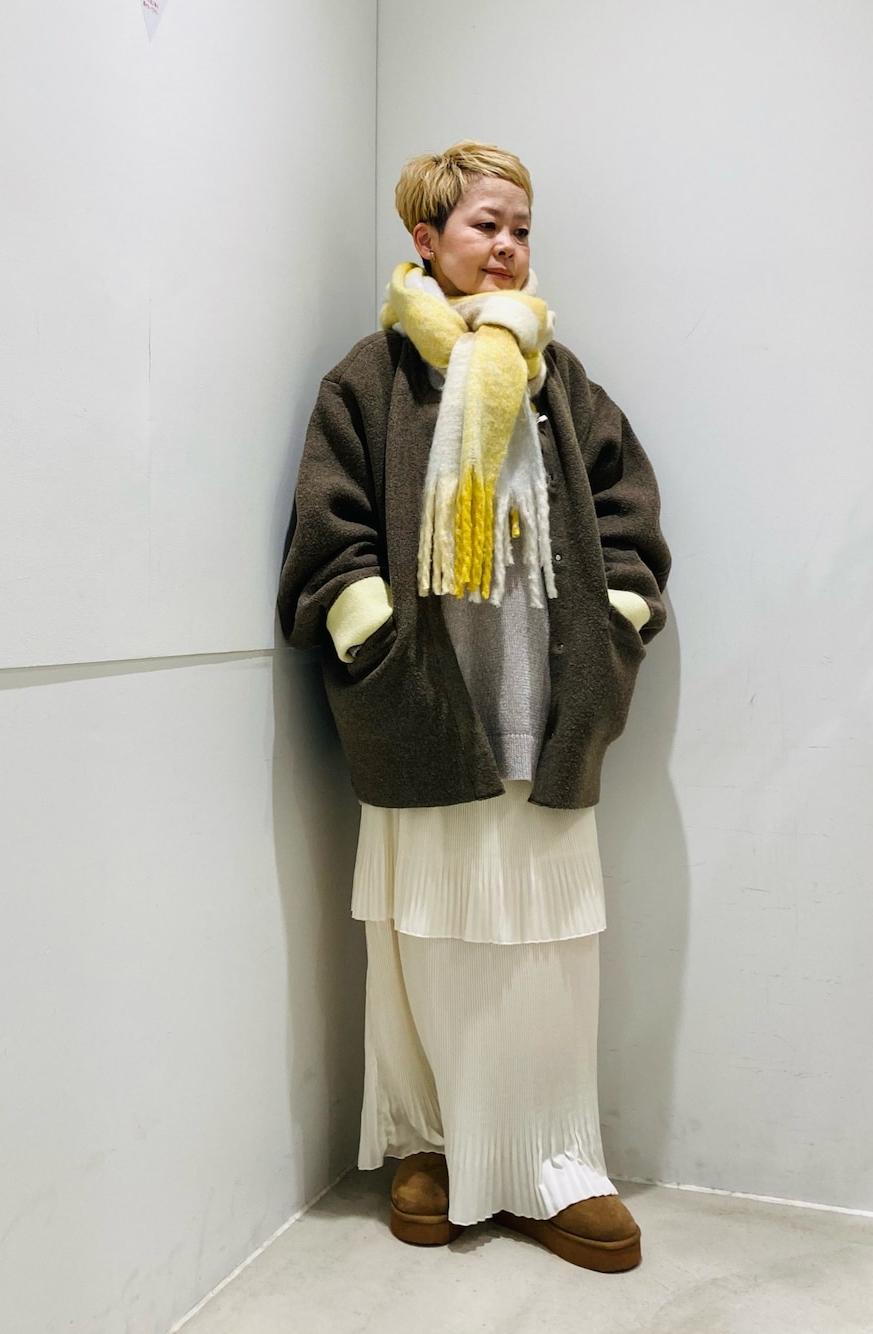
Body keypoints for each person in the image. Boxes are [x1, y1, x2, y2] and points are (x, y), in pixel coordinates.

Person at [277, 141, 670, 1272]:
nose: (507, 246)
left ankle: (553, 1163)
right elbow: (329, 531)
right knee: (423, 942)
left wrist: (621, 614)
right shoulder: (370, 377)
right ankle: (432, 1147)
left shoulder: (557, 377)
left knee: (549, 953)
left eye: (521, 228)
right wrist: (373, 637)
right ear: (427, 239)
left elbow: (630, 513)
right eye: (485, 225)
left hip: (546, 709)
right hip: (422, 710)